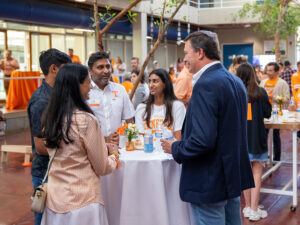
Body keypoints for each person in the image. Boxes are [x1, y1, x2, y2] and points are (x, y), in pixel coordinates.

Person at [161, 31, 254, 225]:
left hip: (210, 178)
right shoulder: (235, 81)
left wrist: (175, 147)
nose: (184, 58)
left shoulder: (207, 84)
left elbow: (202, 140)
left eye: (187, 52)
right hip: (230, 173)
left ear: (200, 53)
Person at [40, 64, 120, 225]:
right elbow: (102, 167)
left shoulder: (51, 117)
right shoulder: (85, 120)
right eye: (87, 82)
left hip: (55, 201)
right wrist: (114, 156)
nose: (91, 86)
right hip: (83, 202)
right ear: (77, 85)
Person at [27, 48, 71, 225]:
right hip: (46, 173)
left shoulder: (59, 95)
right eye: (66, 69)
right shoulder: (41, 101)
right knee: (45, 220)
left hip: (60, 170)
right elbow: (40, 147)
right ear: (54, 69)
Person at [236, 63, 271, 221]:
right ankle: (254, 209)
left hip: (240, 139)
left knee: (245, 174)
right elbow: (268, 113)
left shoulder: (235, 92)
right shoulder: (260, 92)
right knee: (256, 173)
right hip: (257, 138)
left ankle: (248, 208)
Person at [87, 51, 135, 145]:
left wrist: (126, 140)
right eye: (100, 67)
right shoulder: (85, 91)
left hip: (118, 148)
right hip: (93, 149)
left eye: (108, 66)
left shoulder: (120, 90)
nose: (106, 71)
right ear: (90, 70)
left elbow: (129, 121)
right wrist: (104, 140)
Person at [135, 68, 185, 140]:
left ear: (165, 84)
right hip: (147, 150)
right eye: (149, 81)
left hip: (169, 151)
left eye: (155, 81)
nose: (151, 85)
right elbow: (140, 139)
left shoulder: (177, 106)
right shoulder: (142, 108)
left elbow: (178, 138)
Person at [260, 62, 290, 161]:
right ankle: (264, 156)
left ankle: (277, 158)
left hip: (276, 113)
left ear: (277, 71)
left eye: (270, 70)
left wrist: (274, 97)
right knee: (263, 135)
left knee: (276, 136)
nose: (268, 72)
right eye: (267, 70)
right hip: (264, 113)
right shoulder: (263, 83)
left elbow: (287, 98)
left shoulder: (282, 83)